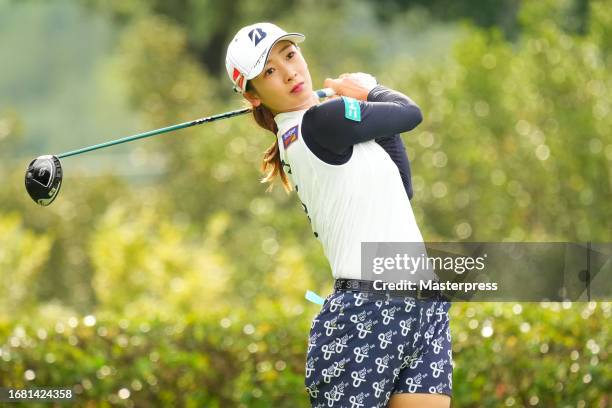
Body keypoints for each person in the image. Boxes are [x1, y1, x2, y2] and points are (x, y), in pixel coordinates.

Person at [225, 22, 453, 408]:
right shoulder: (321, 121)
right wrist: (370, 90)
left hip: (422, 304)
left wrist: (365, 103)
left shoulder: (318, 126)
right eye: (269, 72)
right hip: (367, 312)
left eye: (289, 55)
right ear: (254, 97)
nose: (290, 73)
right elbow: (410, 113)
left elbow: (401, 188)